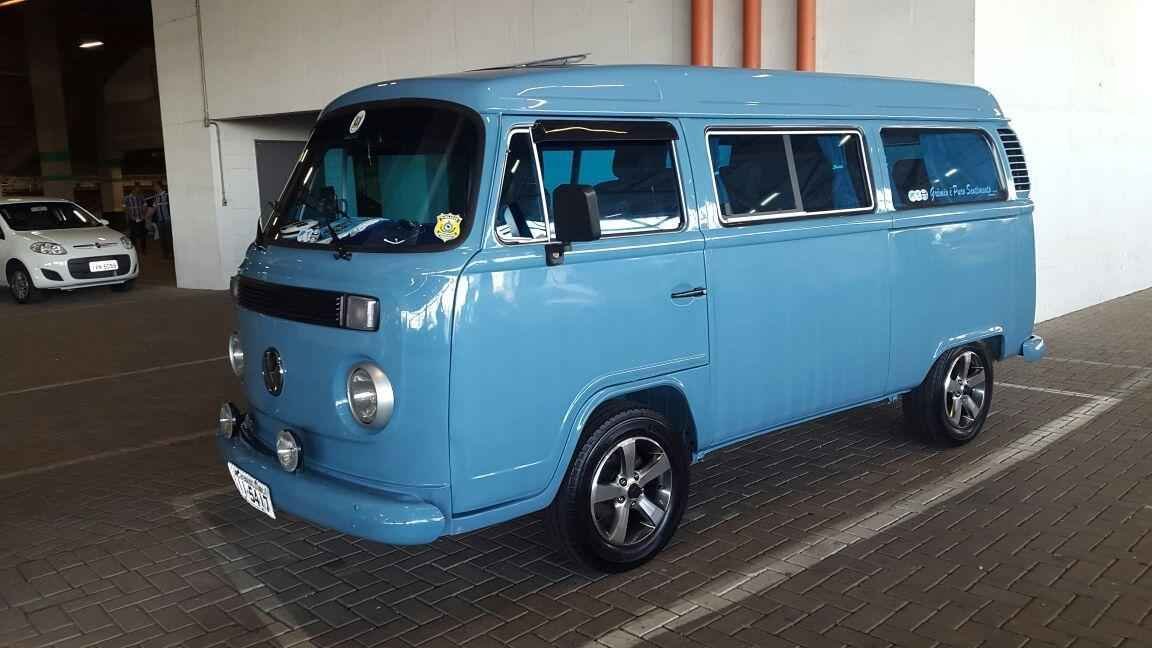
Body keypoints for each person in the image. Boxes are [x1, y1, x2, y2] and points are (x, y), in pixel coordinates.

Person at [152, 182, 173, 260]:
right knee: (162, 239)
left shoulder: (167, 195)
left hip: (168, 220)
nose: (154, 188)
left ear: (159, 186)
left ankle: (171, 254)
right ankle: (165, 254)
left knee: (169, 238)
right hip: (160, 221)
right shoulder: (156, 197)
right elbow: (154, 208)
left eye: (155, 186)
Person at [124, 186, 148, 253]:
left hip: (141, 218)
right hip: (132, 219)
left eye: (139, 191)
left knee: (143, 234)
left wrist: (144, 215)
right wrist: (130, 216)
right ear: (133, 190)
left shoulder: (141, 197)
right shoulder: (127, 198)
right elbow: (125, 209)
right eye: (136, 190)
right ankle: (135, 249)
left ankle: (143, 249)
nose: (138, 192)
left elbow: (145, 206)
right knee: (133, 235)